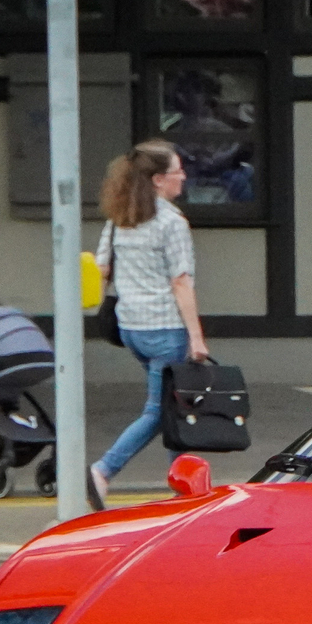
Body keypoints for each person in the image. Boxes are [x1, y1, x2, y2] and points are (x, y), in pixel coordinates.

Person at [90, 139, 210, 508]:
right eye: (177, 171)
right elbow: (181, 281)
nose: (183, 177)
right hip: (165, 328)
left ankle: (185, 489)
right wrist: (197, 337)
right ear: (158, 179)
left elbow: (101, 268)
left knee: (175, 405)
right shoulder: (172, 223)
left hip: (131, 327)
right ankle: (103, 470)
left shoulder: (120, 218)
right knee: (159, 411)